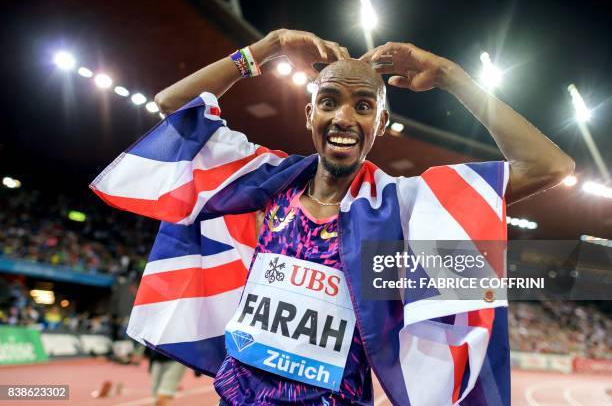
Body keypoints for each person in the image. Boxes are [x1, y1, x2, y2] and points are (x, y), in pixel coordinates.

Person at [92, 29, 574, 405]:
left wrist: (452, 76)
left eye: (363, 106)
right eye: (329, 101)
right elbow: (173, 107)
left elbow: (549, 166)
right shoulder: (265, 179)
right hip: (237, 397)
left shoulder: (404, 205)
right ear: (310, 114)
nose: (344, 118)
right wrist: (265, 49)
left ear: (380, 124)